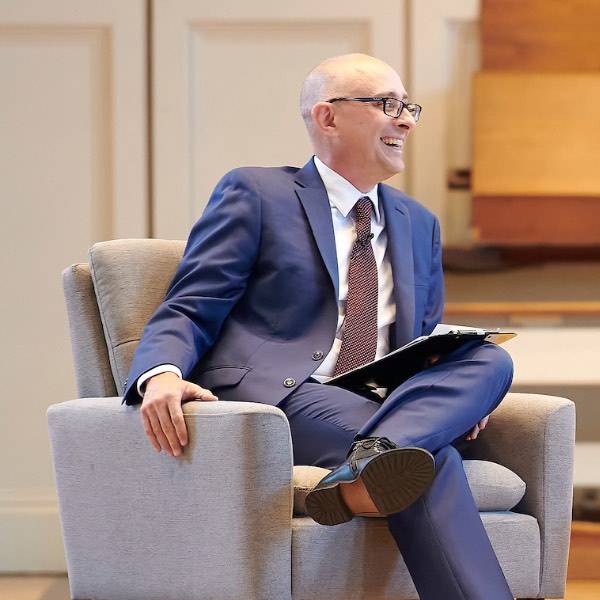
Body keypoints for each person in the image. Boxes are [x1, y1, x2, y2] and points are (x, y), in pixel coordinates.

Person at [122, 53, 515, 599]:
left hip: (379, 396)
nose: (406, 120)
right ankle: (376, 462)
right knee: (427, 457)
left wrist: (466, 398)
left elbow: (424, 342)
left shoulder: (418, 222)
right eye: (387, 105)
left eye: (407, 107)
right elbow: (192, 303)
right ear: (327, 117)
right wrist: (158, 374)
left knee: (490, 358)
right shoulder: (257, 194)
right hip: (285, 392)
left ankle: (368, 462)